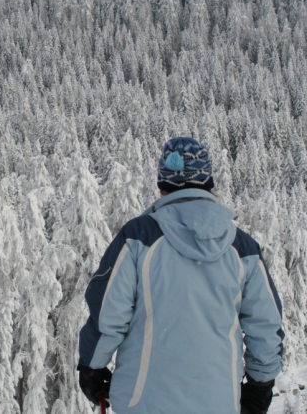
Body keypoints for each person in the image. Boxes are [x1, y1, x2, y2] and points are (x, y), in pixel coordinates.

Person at [78, 137, 285, 414]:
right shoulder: (243, 248)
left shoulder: (138, 237)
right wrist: (260, 384)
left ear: (162, 186)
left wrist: (93, 367)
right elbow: (266, 326)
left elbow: (107, 314)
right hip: (220, 404)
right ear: (209, 183)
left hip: (144, 403)